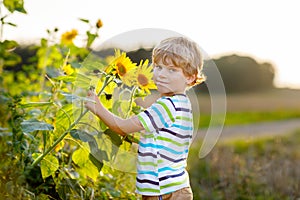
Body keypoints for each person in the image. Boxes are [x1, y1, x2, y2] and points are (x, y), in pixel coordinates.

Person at [85, 36, 205, 200]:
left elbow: (122, 127)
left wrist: (98, 108)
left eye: (172, 70)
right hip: (177, 187)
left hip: (162, 192)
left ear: (190, 77)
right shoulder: (182, 103)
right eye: (158, 67)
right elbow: (159, 139)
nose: (162, 74)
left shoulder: (166, 106)